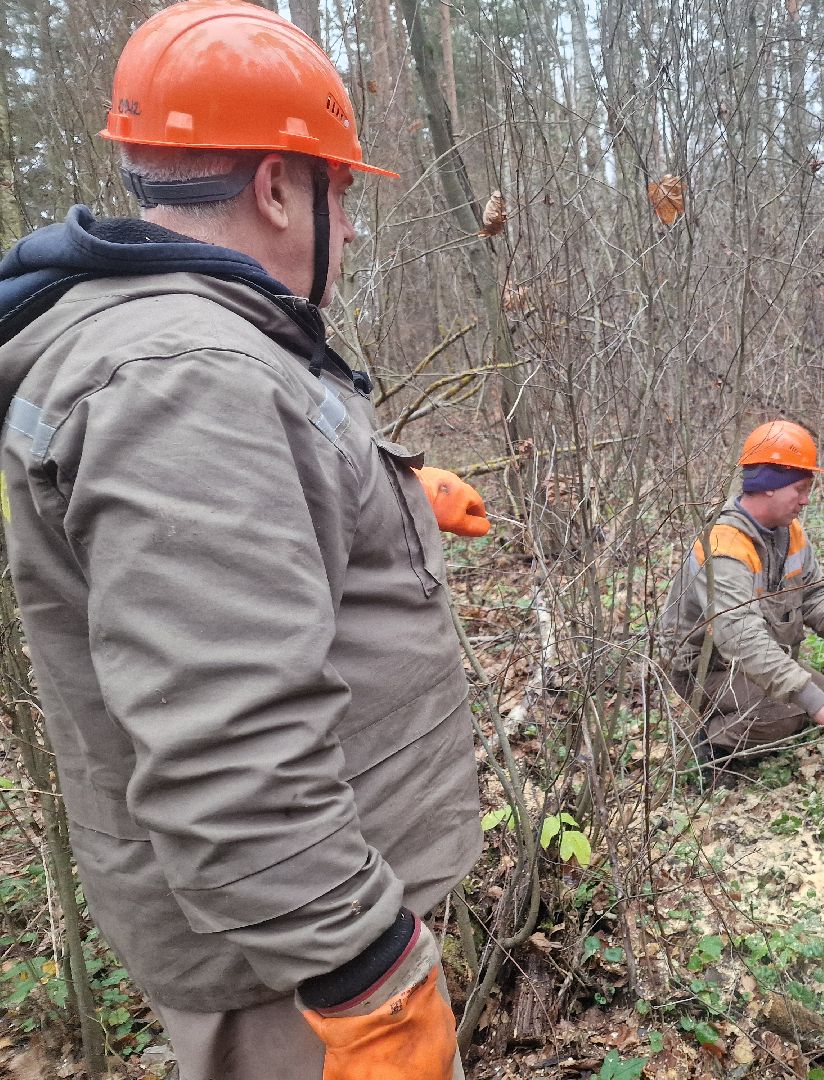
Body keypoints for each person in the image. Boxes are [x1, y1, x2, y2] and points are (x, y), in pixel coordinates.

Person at [0, 3, 485, 1077]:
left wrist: (392, 492)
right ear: (277, 184)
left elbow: (228, 549)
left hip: (300, 929)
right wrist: (367, 978)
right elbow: (228, 743)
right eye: (342, 193)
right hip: (299, 976)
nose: (349, 229)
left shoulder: (177, 341)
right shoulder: (185, 382)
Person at [659, 420, 824, 778]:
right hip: (705, 669)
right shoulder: (725, 547)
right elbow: (741, 638)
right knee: (794, 710)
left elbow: (814, 594)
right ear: (769, 486)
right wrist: (814, 703)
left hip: (753, 660)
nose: (806, 500)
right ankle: (711, 743)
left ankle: (757, 710)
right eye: (799, 489)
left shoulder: (790, 533)